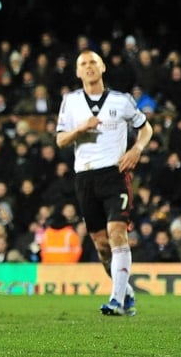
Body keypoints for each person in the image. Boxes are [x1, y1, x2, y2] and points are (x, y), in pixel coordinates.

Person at [56, 50, 152, 316]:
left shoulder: (122, 101)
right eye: (83, 64)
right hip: (85, 177)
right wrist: (80, 128)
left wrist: (137, 149)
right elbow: (61, 140)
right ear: (77, 72)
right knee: (100, 244)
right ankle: (127, 292)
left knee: (117, 233)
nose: (88, 67)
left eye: (92, 62)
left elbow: (146, 128)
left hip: (114, 174)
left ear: (102, 67)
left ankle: (116, 301)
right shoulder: (71, 101)